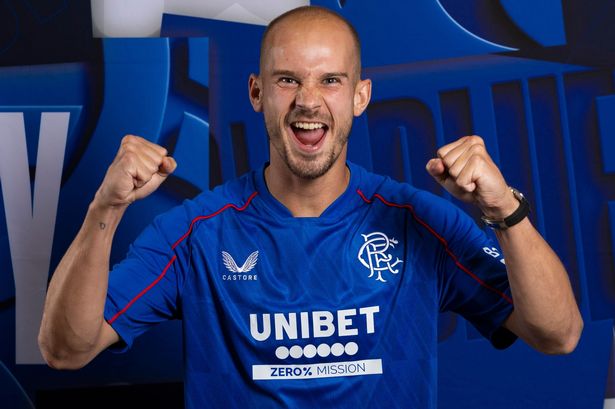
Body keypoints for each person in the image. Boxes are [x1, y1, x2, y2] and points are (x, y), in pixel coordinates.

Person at [38, 5, 583, 408]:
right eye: (287, 79)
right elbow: (66, 350)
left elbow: (558, 334)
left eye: (330, 80)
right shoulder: (196, 232)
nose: (308, 100)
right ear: (256, 92)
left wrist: (506, 214)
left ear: (360, 97)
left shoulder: (418, 223)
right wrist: (103, 211)